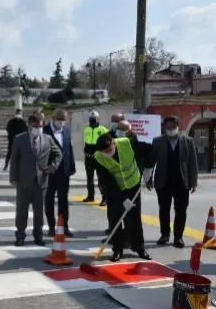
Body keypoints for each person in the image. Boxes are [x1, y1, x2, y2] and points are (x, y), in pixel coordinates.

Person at [94, 132, 152, 262]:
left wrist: (148, 171)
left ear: (113, 142)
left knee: (134, 218)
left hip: (133, 186)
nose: (107, 153)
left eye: (109, 149)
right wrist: (122, 198)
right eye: (104, 151)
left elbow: (150, 150)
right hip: (115, 190)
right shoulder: (99, 157)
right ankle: (117, 250)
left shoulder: (127, 143)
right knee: (114, 219)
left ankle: (139, 248)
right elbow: (107, 180)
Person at [9, 113, 62, 247]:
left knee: (39, 211)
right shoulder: (19, 139)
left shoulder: (47, 139)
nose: (38, 128)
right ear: (29, 125)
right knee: (22, 210)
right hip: (23, 181)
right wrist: (13, 178)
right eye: (35, 126)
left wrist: (52, 167)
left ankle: (38, 235)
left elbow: (58, 154)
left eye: (40, 125)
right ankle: (20, 235)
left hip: (41, 180)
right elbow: (14, 160)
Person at [149, 116, 198, 248]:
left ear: (178, 126)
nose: (170, 130)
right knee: (164, 210)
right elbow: (151, 161)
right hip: (163, 182)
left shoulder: (188, 141)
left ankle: (178, 237)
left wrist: (193, 182)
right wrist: (148, 177)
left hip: (182, 182)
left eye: (172, 127)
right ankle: (165, 234)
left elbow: (192, 163)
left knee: (181, 211)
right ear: (164, 128)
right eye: (167, 127)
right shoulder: (158, 141)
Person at [44, 109, 75, 237]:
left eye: (64, 119)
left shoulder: (66, 131)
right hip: (50, 172)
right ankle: (51, 226)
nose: (62, 122)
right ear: (53, 118)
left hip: (64, 172)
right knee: (49, 200)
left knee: (63, 200)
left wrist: (72, 166)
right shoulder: (46, 131)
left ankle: (64, 226)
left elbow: (69, 149)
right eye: (60, 119)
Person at [83, 110, 108, 205]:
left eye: (94, 119)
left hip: (99, 158)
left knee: (101, 179)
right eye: (91, 119)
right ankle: (90, 196)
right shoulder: (86, 129)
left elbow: (107, 143)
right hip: (88, 157)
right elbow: (86, 142)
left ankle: (105, 198)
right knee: (89, 179)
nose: (92, 120)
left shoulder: (103, 130)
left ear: (98, 119)